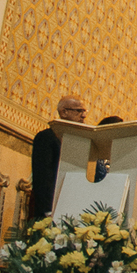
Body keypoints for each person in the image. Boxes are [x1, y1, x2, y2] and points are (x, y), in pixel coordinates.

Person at [29, 94, 85, 222]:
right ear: (64, 112)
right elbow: (42, 177)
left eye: (84, 111)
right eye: (79, 111)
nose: (83, 116)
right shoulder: (47, 137)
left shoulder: (77, 142)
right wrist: (47, 212)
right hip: (49, 211)